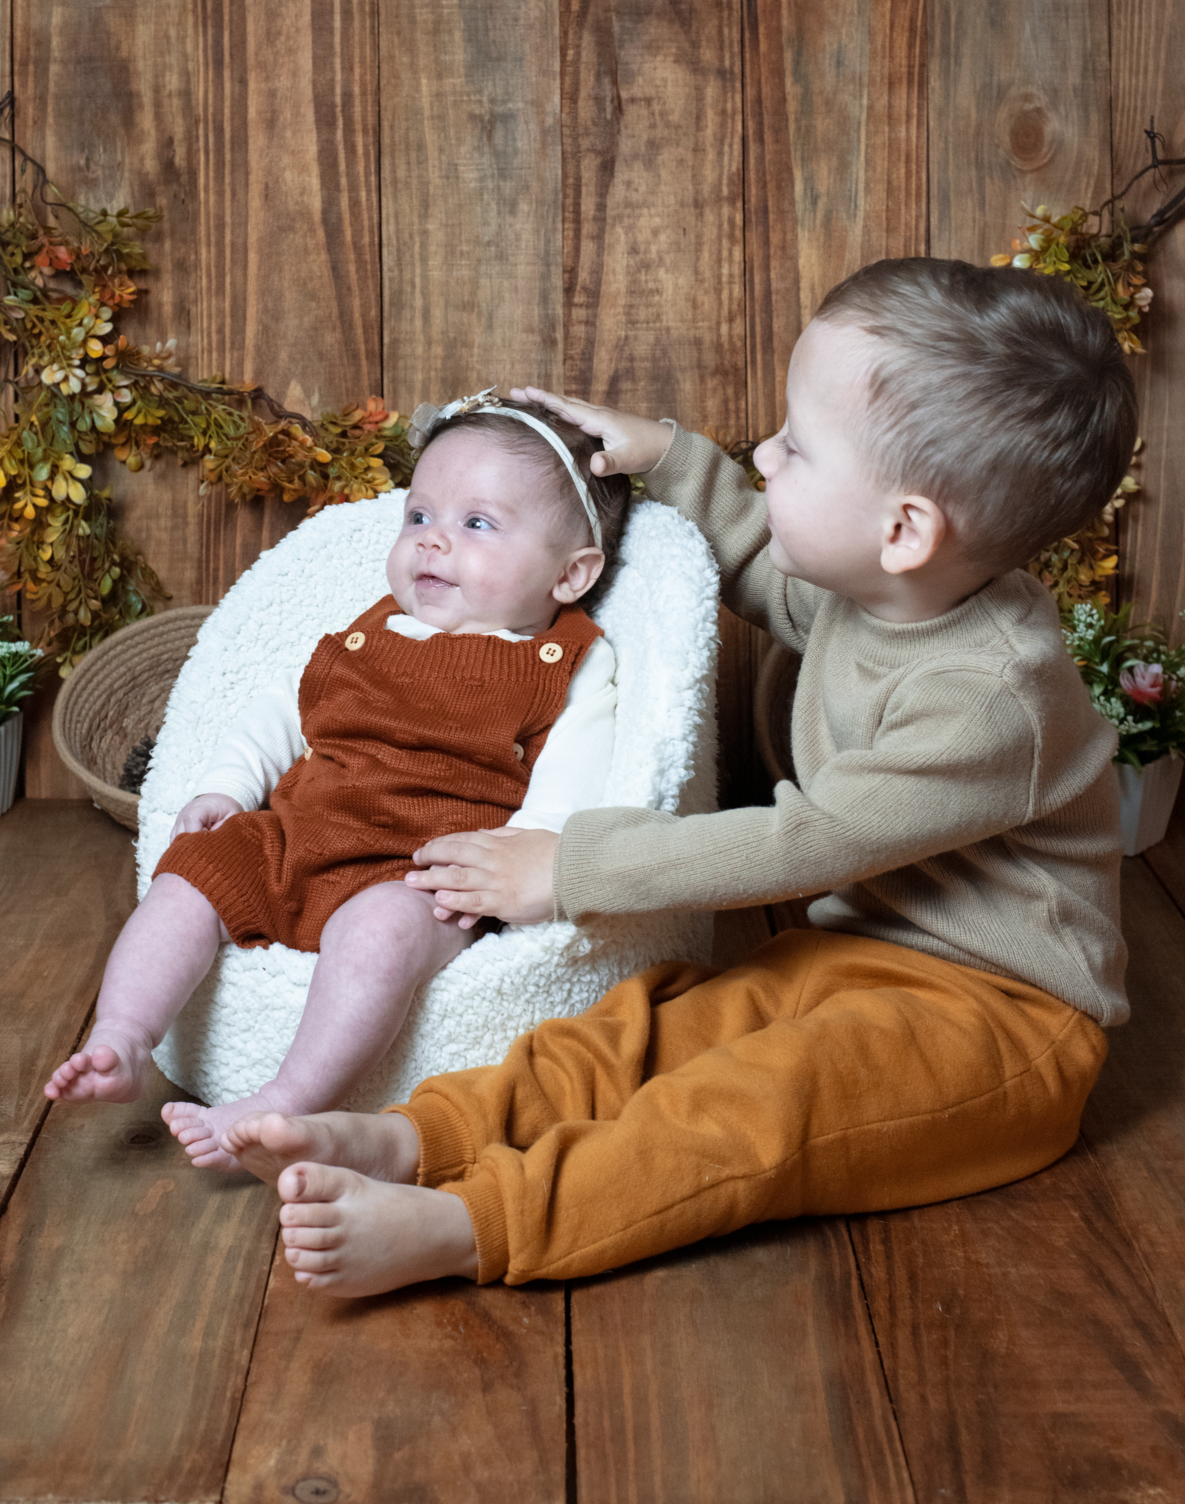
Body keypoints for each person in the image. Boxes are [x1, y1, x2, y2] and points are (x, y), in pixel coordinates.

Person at [228, 256, 1136, 1300]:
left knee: (747, 1110)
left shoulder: (990, 696)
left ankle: (472, 1223)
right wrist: (666, 453)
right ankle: (415, 1139)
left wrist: (569, 867)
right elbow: (758, 559)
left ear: (903, 531)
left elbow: (807, 839)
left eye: (796, 446)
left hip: (1002, 1023)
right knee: (649, 1027)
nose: (766, 453)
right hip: (855, 958)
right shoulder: (887, 594)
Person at [44, 393, 630, 1170]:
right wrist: (228, 787)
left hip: (418, 873)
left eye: (477, 523)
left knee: (381, 935)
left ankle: (285, 1100)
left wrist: (523, 861)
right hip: (296, 835)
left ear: (570, 574)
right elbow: (283, 713)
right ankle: (123, 1034)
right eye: (419, 516)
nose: (432, 541)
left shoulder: (565, 661)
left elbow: (569, 787)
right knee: (189, 875)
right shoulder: (372, 629)